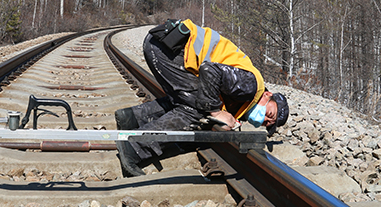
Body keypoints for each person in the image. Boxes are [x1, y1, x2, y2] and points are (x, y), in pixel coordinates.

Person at [114, 19, 289, 176]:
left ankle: (131, 118)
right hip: (169, 49)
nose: (264, 119)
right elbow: (209, 70)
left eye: (266, 123)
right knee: (196, 111)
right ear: (267, 95)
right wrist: (215, 112)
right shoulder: (250, 85)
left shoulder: (245, 99)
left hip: (163, 43)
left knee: (192, 101)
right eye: (270, 114)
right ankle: (133, 148)